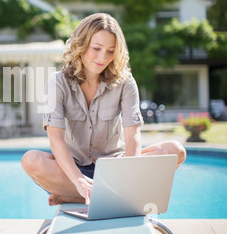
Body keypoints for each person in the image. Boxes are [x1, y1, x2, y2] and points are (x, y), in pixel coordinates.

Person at [21, 13, 186, 206]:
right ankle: (92, 192)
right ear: (80, 45)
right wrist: (79, 180)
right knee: (31, 160)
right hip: (74, 170)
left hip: (117, 168)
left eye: (110, 51)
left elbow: (133, 134)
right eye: (96, 48)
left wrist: (129, 175)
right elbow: (55, 139)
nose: (103, 57)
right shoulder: (56, 82)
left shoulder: (125, 82)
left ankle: (75, 196)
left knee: (176, 150)